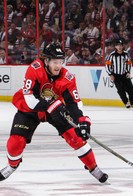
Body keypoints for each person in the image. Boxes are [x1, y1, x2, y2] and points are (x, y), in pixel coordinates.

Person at [0, 42, 108, 183]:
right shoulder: (34, 69)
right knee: (15, 143)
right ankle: (12, 165)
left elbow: (73, 103)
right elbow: (30, 99)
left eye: (60, 62)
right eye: (54, 62)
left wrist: (82, 120)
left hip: (55, 109)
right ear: (46, 61)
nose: (58, 66)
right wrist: (51, 104)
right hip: (30, 109)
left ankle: (93, 168)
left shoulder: (67, 77)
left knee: (76, 138)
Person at [105, 39, 133, 109]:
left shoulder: (126, 54)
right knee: (120, 89)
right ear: (115, 46)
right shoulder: (112, 55)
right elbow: (107, 65)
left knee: (131, 89)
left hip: (124, 74)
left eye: (121, 45)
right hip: (115, 75)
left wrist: (128, 72)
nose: (119, 47)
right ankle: (126, 102)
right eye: (118, 45)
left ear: (123, 46)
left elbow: (129, 64)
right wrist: (110, 74)